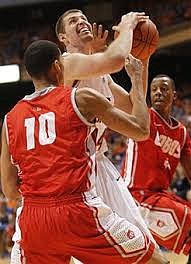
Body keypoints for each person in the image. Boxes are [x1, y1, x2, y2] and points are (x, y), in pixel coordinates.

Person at [0, 17, 167, 264]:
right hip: (77, 187)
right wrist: (127, 29)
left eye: (84, 17)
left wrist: (143, 58)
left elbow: (134, 106)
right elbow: (115, 61)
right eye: (73, 20)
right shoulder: (69, 62)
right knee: (145, 257)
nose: (82, 21)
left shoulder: (12, 116)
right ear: (63, 40)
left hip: (84, 178)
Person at [122, 74, 191, 262]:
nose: (158, 93)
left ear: (174, 95)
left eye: (164, 89)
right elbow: (132, 99)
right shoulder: (143, 116)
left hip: (159, 196)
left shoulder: (181, 133)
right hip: (134, 196)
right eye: (154, 90)